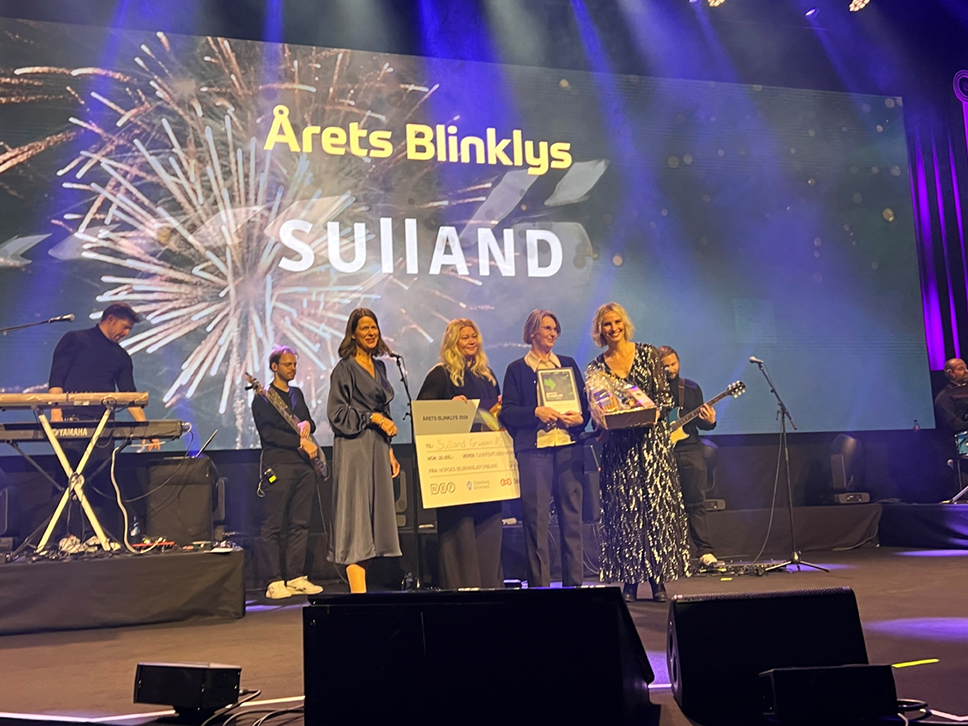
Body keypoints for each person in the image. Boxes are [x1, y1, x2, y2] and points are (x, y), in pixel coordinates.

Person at [585, 302, 691, 602]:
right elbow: (597, 409)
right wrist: (602, 422)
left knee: (656, 512)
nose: (613, 328)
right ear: (600, 330)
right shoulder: (595, 368)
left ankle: (658, 581)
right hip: (619, 448)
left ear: (625, 323)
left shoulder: (647, 354)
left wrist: (651, 414)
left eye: (617, 322)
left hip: (652, 445)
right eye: (607, 324)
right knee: (625, 514)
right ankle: (630, 581)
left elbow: (664, 399)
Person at [47, 302, 155, 540]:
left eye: (129, 330)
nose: (125, 333)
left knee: (98, 479)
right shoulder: (75, 340)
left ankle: (93, 535)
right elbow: (56, 380)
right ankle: (67, 536)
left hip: (103, 425)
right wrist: (56, 415)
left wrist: (144, 427)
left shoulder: (121, 356)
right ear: (110, 319)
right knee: (68, 477)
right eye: (124, 327)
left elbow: (129, 396)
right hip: (72, 420)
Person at [501, 310, 589, 589]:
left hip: (568, 448)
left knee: (572, 519)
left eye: (555, 329)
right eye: (547, 328)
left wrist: (581, 419)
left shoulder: (568, 364)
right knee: (536, 521)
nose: (553, 333)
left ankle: (574, 587)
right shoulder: (517, 369)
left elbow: (585, 408)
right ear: (532, 333)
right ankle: (540, 588)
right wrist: (535, 412)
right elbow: (508, 412)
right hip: (534, 451)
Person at [417, 318, 504, 589]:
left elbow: (495, 419)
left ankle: (489, 589)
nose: (471, 341)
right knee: (460, 529)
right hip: (455, 471)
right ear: (452, 342)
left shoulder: (488, 376)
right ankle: (461, 588)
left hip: (486, 466)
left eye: (473, 336)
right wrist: (448, 406)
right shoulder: (440, 375)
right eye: (464, 337)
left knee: (488, 526)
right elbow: (422, 416)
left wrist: (502, 409)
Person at [327, 308, 401, 593]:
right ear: (353, 334)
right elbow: (337, 414)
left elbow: (384, 410)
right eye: (364, 328)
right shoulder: (344, 369)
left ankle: (362, 594)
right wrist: (373, 418)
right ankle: (359, 597)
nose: (371, 333)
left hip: (377, 448)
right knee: (357, 520)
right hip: (354, 448)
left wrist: (389, 451)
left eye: (374, 327)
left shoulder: (380, 367)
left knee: (372, 524)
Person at [251, 346, 325, 600]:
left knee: (300, 523)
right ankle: (273, 581)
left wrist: (307, 424)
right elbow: (268, 434)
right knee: (273, 524)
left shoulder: (297, 394)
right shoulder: (262, 398)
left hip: (303, 466)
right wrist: (298, 442)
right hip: (278, 465)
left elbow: (307, 421)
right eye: (287, 364)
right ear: (274, 367)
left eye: (294, 364)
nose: (292, 368)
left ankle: (295, 577)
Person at [657, 346, 720, 569]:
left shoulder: (691, 388)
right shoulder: (650, 390)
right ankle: (669, 553)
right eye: (665, 366)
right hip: (661, 453)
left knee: (696, 502)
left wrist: (710, 421)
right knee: (664, 506)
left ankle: (705, 551)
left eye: (673, 364)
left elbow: (702, 424)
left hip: (690, 450)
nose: (670, 369)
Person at [934, 358, 968, 434]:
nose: (966, 371)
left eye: (966, 368)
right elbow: (953, 423)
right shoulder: (944, 397)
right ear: (951, 372)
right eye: (961, 369)